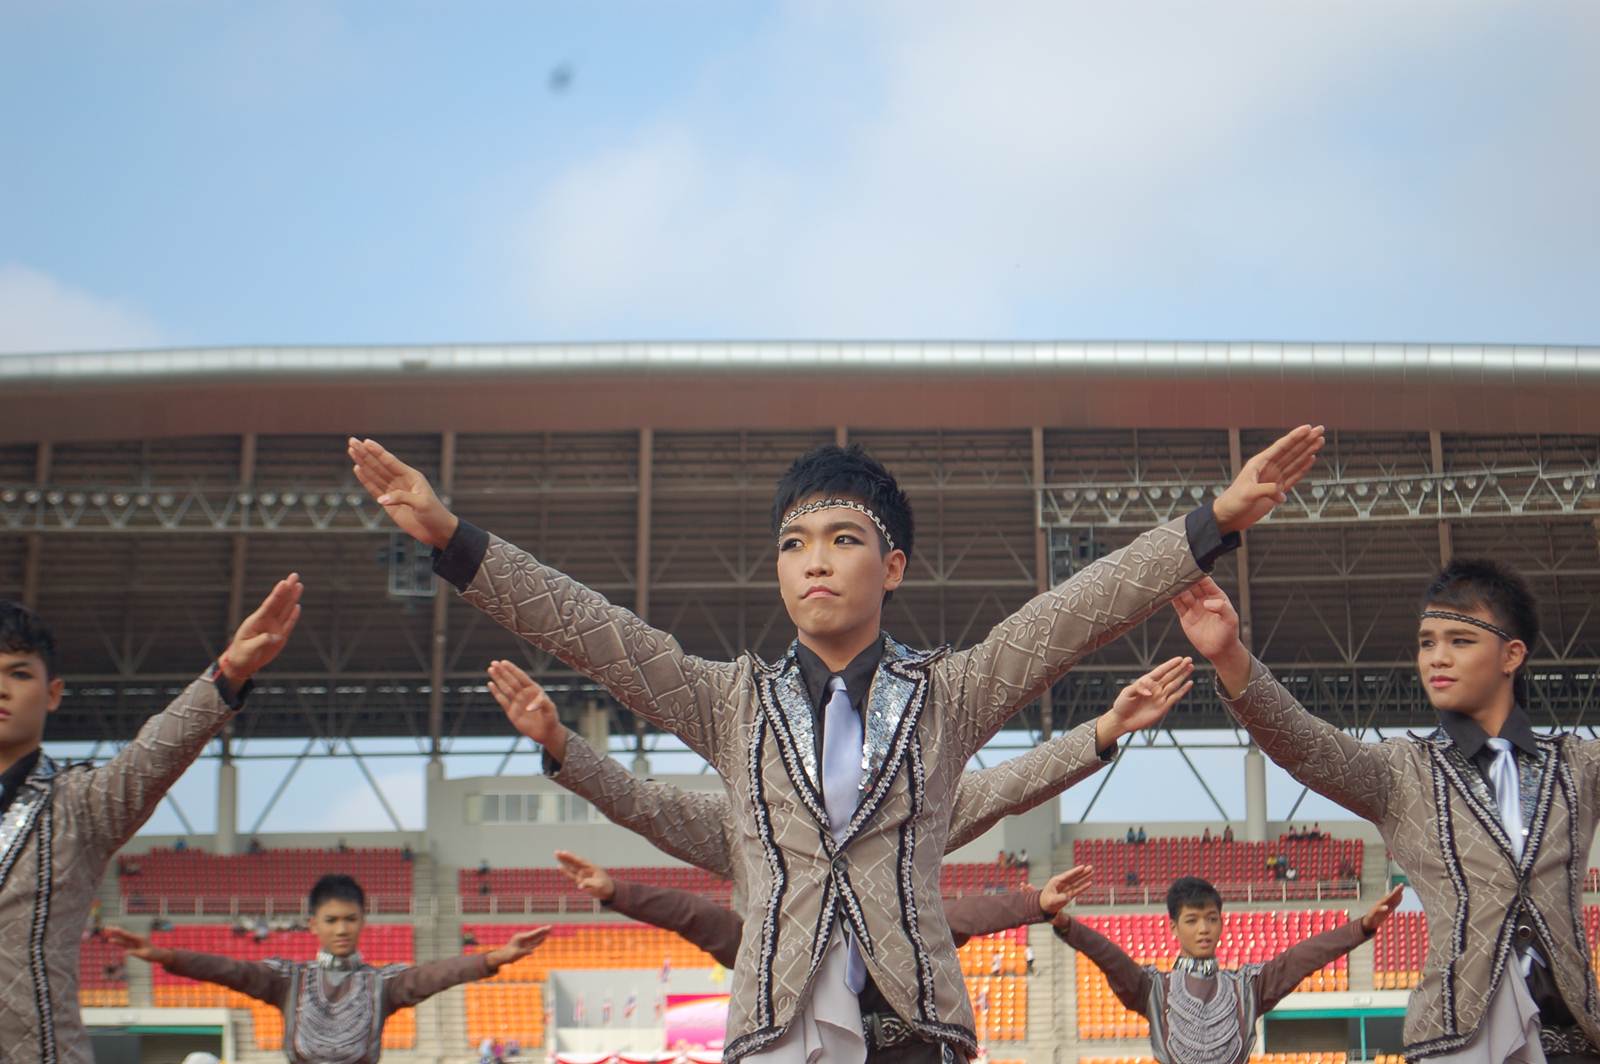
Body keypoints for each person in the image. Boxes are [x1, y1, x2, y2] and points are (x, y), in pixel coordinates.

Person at [350, 427, 1321, 1064]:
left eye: (842, 538)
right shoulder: (732, 701)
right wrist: (452, 539)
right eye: (793, 542)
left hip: (914, 1025)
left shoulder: (947, 692)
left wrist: (1211, 523)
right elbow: (595, 631)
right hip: (774, 1023)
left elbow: (1069, 614)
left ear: (891, 565)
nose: (814, 559)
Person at [1176, 560, 1600, 1061]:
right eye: (1427, 642)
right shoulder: (1403, 771)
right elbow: (1306, 746)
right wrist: (1229, 656)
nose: (1437, 658)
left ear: (1512, 655)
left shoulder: (1579, 764)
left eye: (1461, 641)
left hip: (1577, 1040)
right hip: (1458, 1042)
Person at [492, 655, 1196, 915]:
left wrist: (1105, 727)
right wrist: (560, 744)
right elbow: (642, 804)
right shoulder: (748, 828)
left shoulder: (909, 810)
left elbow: (1008, 785)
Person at [0, 579, 303, 1064]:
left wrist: (228, 673)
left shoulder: (78, 805)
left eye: (18, 673)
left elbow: (153, 756)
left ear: (53, 693)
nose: (1, 688)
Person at [109, 874, 550, 1064]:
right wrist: (165, 956)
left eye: (351, 919)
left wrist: (495, 957)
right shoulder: (288, 980)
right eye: (332, 920)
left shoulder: (382, 984)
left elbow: (435, 975)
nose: (342, 929)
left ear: (363, 921)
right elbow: (229, 970)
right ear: (313, 924)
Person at [1054, 875, 1402, 1064]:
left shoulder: (1247, 987)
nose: (1203, 929)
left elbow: (1301, 959)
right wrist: (1067, 925)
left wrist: (1361, 927)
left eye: (1211, 919)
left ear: (1222, 923)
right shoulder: (1153, 989)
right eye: (1192, 920)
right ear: (1173, 927)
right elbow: (1110, 958)